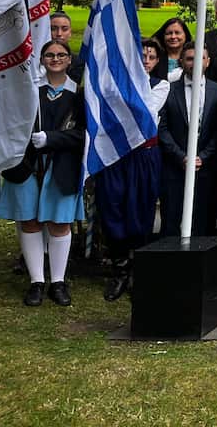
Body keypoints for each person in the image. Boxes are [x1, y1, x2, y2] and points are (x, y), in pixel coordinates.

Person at [0, 40, 84, 306]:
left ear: (70, 60)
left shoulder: (80, 94)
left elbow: (84, 135)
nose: (55, 59)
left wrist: (53, 139)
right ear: (42, 59)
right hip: (27, 167)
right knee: (30, 221)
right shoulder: (29, 92)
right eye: (49, 54)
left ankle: (57, 281)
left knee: (59, 224)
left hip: (62, 167)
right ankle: (36, 281)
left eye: (61, 55)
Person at [96, 38, 168, 300]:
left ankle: (137, 264)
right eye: (141, 57)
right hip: (115, 155)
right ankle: (119, 266)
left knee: (140, 208)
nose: (145, 62)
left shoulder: (161, 85)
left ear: (157, 61)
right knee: (113, 206)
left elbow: (145, 112)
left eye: (150, 57)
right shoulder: (111, 85)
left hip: (144, 155)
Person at [157, 45, 217, 237]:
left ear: (208, 61)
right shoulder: (168, 90)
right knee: (171, 219)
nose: (194, 63)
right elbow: (162, 128)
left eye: (200, 59)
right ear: (181, 62)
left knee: (203, 221)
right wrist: (181, 157)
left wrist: (202, 157)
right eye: (189, 59)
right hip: (175, 166)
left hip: (206, 168)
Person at [152, 16, 191, 81]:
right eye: (169, 33)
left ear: (185, 35)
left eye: (177, 33)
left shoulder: (193, 56)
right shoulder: (154, 57)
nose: (173, 36)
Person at [48, 11, 84, 83]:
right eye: (53, 29)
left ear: (70, 32)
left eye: (64, 29)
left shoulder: (78, 62)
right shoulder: (35, 60)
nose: (59, 34)